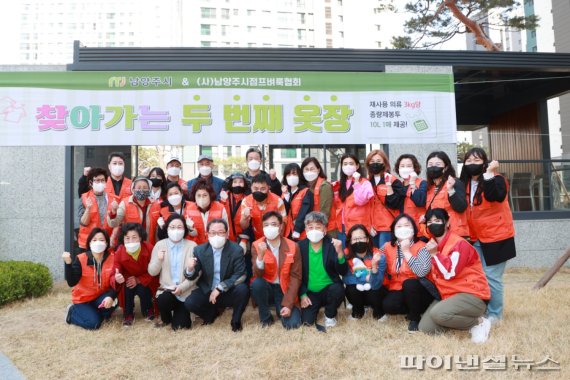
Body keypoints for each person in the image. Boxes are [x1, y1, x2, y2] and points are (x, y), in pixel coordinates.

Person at [460, 147, 516, 323]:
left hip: (497, 236)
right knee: (479, 276)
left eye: (476, 161)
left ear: (485, 162)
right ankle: (483, 310)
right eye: (468, 161)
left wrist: (490, 174)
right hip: (474, 237)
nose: (472, 164)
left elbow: (496, 197)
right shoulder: (465, 183)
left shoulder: (497, 180)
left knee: (492, 276)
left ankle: (495, 315)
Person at [419, 208, 492, 344]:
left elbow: (449, 273)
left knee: (438, 314)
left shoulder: (459, 244)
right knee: (426, 328)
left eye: (437, 220)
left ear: (447, 223)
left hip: (473, 295)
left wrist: (435, 254)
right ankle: (457, 321)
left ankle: (478, 323)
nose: (433, 224)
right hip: (449, 295)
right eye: (429, 222)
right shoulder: (433, 243)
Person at [184, 219, 250, 332]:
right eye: (213, 233)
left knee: (243, 290)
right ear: (207, 234)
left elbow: (241, 274)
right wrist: (190, 268)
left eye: (220, 232)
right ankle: (210, 315)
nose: (216, 236)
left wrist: (220, 288)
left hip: (227, 289)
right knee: (190, 302)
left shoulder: (236, 250)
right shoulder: (199, 250)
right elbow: (192, 276)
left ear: (227, 234)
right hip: (208, 290)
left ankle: (236, 320)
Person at [381, 214, 433, 332]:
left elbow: (422, 272)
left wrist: (406, 251)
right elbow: (376, 255)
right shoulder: (388, 246)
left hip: (420, 289)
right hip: (398, 287)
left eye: (406, 225)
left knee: (409, 284)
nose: (403, 228)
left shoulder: (422, 247)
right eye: (399, 226)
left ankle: (415, 318)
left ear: (413, 229)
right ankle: (412, 308)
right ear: (394, 231)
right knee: (388, 306)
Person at [250, 211, 302, 329]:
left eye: (274, 224)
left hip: (284, 289)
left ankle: (281, 308)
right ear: (262, 228)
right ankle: (265, 317)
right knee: (257, 283)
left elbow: (296, 277)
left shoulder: (293, 246)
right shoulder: (256, 245)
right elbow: (257, 274)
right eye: (266, 225)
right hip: (266, 288)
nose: (270, 228)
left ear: (281, 226)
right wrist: (260, 256)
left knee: (293, 325)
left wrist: (288, 305)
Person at [147, 214, 197, 330]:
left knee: (180, 327)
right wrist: (159, 260)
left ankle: (181, 313)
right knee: (163, 300)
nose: (176, 230)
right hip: (167, 291)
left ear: (185, 229)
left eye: (179, 227)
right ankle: (166, 318)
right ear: (167, 229)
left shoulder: (192, 246)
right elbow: (152, 272)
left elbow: (196, 275)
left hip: (185, 292)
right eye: (172, 227)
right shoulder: (160, 245)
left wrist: (182, 287)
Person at [298, 212, 347, 329]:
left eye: (318, 227)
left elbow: (343, 271)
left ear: (325, 229)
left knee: (337, 289)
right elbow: (296, 274)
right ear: (305, 229)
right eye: (310, 227)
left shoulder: (332, 245)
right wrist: (302, 294)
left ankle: (329, 314)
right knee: (307, 322)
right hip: (310, 292)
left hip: (329, 289)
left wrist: (340, 252)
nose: (314, 230)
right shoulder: (299, 246)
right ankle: (315, 306)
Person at [63, 228, 117, 330]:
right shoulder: (81, 258)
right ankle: (72, 313)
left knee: (115, 300)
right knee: (94, 324)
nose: (98, 242)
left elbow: (115, 283)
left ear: (106, 243)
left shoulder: (112, 258)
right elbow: (71, 282)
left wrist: (111, 296)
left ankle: (96, 313)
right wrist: (68, 264)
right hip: (83, 299)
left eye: (101, 240)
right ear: (90, 243)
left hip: (100, 297)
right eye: (94, 240)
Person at [112, 223, 159, 326]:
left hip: (146, 279)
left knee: (143, 288)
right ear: (123, 239)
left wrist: (139, 280)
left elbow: (155, 271)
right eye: (127, 238)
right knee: (128, 287)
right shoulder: (119, 252)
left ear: (140, 238)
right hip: (128, 280)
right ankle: (128, 314)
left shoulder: (149, 248)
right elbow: (115, 271)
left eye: (134, 237)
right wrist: (117, 277)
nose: (130, 241)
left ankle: (148, 309)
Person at [342, 224, 386, 320]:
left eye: (361, 238)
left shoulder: (378, 255)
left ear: (367, 239)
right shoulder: (346, 255)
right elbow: (347, 278)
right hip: (358, 290)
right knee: (350, 289)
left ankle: (379, 312)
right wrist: (367, 277)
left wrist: (374, 267)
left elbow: (379, 282)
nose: (358, 241)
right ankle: (358, 311)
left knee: (377, 289)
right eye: (355, 239)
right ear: (350, 241)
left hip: (374, 290)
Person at [422, 151, 469, 238]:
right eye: (430, 164)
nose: (433, 167)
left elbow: (461, 207)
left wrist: (451, 190)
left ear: (446, 167)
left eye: (438, 164)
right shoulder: (430, 188)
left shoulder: (454, 182)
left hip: (456, 234)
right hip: (438, 234)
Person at [365, 149, 405, 248]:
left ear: (385, 163)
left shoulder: (393, 181)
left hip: (387, 227)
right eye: (372, 161)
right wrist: (368, 225)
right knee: (374, 257)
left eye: (379, 161)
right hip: (371, 228)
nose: (375, 164)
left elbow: (396, 203)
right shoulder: (366, 182)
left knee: (385, 257)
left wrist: (388, 186)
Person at [333, 153, 374, 248]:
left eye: (351, 163)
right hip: (342, 226)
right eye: (345, 164)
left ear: (357, 166)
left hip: (358, 226)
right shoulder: (339, 184)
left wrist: (356, 182)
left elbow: (360, 201)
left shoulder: (365, 183)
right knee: (345, 255)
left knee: (358, 254)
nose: (348, 166)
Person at [77, 168, 120, 252]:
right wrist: (88, 209)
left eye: (102, 180)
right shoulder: (84, 198)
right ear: (91, 183)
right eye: (97, 180)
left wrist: (114, 211)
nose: (100, 183)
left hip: (107, 242)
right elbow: (83, 223)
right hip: (87, 243)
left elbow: (117, 223)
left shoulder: (114, 199)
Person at [240, 174, 287, 241]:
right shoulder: (246, 201)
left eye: (263, 189)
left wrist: (278, 242)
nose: (259, 191)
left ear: (268, 187)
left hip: (275, 237)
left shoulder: (278, 201)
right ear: (251, 188)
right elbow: (243, 226)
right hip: (256, 238)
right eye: (255, 188)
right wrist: (245, 217)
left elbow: (283, 223)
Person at [107, 176, 155, 240]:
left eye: (145, 187)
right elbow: (113, 223)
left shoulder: (155, 204)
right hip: (131, 244)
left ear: (149, 190)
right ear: (133, 189)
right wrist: (113, 212)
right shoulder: (125, 203)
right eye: (139, 187)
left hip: (149, 245)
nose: (142, 190)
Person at [301, 157, 338, 238]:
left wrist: (317, 228)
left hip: (327, 230)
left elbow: (325, 211)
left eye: (312, 169)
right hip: (314, 229)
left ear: (318, 170)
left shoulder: (324, 186)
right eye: (306, 169)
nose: (309, 172)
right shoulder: (307, 187)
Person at [186, 179, 229, 245]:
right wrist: (190, 232)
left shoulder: (220, 208)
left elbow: (227, 231)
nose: (201, 198)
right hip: (196, 247)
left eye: (205, 195)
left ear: (210, 195)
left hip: (215, 245)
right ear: (194, 196)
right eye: (198, 195)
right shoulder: (188, 209)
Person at [281, 163, 314, 240]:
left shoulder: (306, 191)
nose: (291, 177)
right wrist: (286, 196)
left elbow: (305, 211)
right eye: (288, 175)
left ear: (299, 175)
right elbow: (283, 211)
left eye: (294, 174)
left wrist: (297, 229)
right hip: (287, 231)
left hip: (301, 232)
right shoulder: (285, 192)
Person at [394, 154, 427, 229]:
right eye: (402, 166)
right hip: (402, 229)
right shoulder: (398, 185)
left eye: (409, 166)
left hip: (418, 229)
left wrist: (412, 183)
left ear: (415, 168)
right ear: (398, 169)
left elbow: (420, 201)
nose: (405, 169)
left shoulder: (422, 183)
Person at [220, 172, 251, 251]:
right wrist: (222, 201)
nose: (238, 184)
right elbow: (219, 215)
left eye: (241, 182)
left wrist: (244, 240)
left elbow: (251, 221)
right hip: (226, 238)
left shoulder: (249, 199)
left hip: (242, 239)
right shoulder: (224, 196)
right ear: (231, 184)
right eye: (235, 182)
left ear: (245, 184)